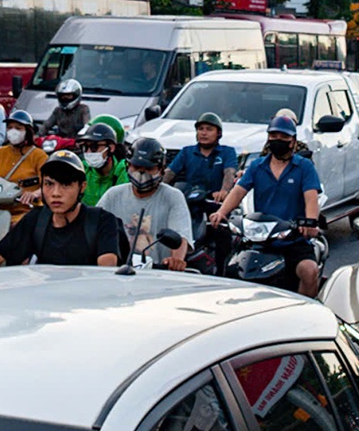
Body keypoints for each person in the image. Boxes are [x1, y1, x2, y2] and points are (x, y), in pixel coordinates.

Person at [208, 111, 324, 297]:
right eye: (274, 136)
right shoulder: (257, 166)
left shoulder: (304, 167)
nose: (278, 140)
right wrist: (221, 212)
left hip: (292, 239)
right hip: (260, 238)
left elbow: (311, 198)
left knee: (309, 271)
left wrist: (310, 223)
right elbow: (238, 191)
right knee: (233, 269)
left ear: (293, 141)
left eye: (284, 136)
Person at [0, 150, 126, 268]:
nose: (56, 193)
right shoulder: (35, 220)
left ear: (82, 187)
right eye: (49, 184)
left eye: (66, 184)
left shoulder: (101, 221)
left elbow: (106, 271)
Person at [100, 139, 192, 270]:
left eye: (149, 169)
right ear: (128, 166)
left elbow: (181, 235)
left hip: (158, 273)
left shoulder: (173, 197)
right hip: (118, 271)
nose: (141, 173)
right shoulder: (113, 195)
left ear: (161, 169)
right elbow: (94, 226)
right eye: (136, 167)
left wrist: (176, 260)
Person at [0, 110, 50, 219]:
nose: (13, 131)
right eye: (10, 127)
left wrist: (34, 194)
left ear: (28, 132)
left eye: (18, 128)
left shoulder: (39, 156)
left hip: (25, 212)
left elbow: (49, 185)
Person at [164, 113, 239, 200]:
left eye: (209, 130)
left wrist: (224, 191)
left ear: (218, 133)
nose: (203, 133)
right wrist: (156, 189)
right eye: (200, 129)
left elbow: (230, 173)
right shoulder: (187, 151)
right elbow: (170, 172)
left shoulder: (227, 152)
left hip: (214, 200)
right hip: (190, 198)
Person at [77, 120, 130, 206]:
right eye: (85, 147)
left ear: (111, 148)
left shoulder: (123, 171)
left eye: (94, 147)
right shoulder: (81, 170)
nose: (89, 152)